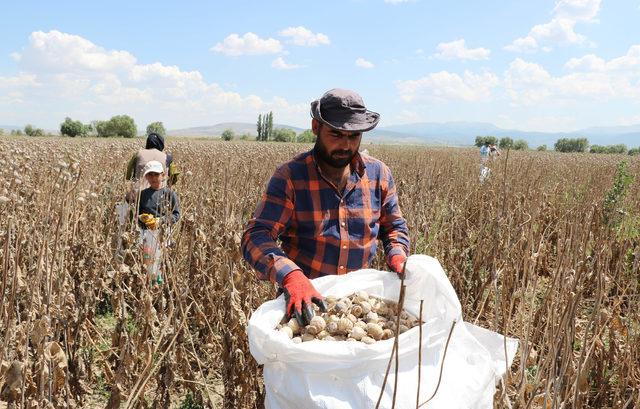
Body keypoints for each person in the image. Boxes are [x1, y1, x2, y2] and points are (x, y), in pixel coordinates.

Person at [241, 88, 410, 325]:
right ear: (315, 127)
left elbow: (393, 227)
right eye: (336, 135)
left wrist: (397, 254)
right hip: (304, 304)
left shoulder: (378, 174)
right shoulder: (290, 177)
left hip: (358, 306)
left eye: (353, 136)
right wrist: (291, 276)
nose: (345, 145)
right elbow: (256, 236)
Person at [137, 160, 181, 284]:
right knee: (148, 262)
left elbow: (176, 215)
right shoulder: (143, 194)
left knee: (162, 262)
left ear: (163, 175)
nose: (153, 178)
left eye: (156, 174)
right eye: (150, 175)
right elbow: (137, 215)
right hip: (146, 235)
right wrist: (143, 218)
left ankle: (161, 287)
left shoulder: (170, 193)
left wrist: (160, 221)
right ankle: (150, 285)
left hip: (164, 235)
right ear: (146, 177)